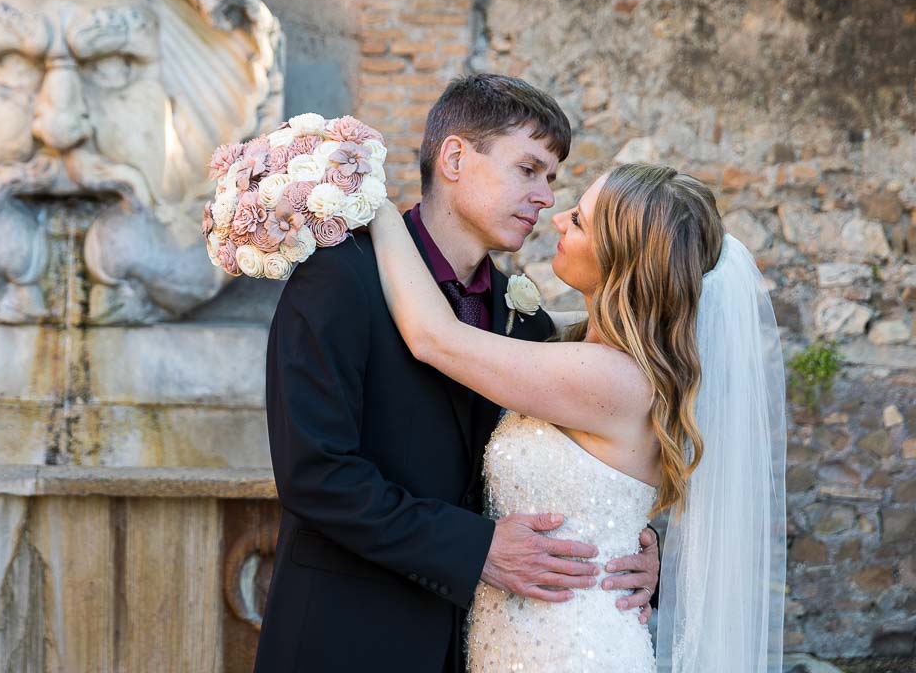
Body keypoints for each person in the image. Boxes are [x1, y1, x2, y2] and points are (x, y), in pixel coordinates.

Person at [254, 75, 661, 673]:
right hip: (344, 635)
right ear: (454, 158)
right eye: (529, 169)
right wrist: (476, 549)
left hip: (483, 646)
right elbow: (315, 474)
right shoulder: (340, 279)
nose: (546, 197)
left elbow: (594, 461)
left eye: (552, 177)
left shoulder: (527, 318)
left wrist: (639, 548)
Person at [369, 162, 787, 672]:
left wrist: (376, 207)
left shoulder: (610, 379)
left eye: (582, 221)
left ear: (624, 260)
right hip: (519, 641)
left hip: (573, 650)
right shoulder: (590, 350)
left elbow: (434, 338)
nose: (558, 216)